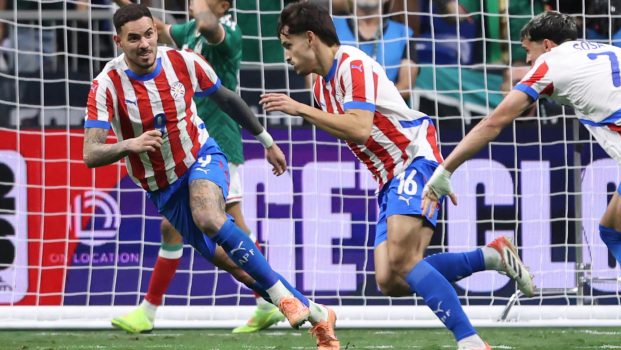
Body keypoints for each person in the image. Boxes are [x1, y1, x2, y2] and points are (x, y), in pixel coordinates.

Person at [260, 3, 534, 350]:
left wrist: (298, 108)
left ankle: (471, 342)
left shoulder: (352, 64)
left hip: (413, 156)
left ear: (310, 38)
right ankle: (491, 256)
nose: (287, 55)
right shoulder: (320, 89)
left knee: (405, 261)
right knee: (390, 280)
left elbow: (359, 129)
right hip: (389, 176)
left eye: (288, 45)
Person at [422, 11, 621, 350]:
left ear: (548, 44)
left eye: (528, 52)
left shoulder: (551, 61)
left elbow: (495, 122)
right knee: (613, 229)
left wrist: (446, 169)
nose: (527, 61)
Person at [83, 5, 339, 349]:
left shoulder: (183, 61)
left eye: (149, 34)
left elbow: (228, 99)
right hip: (163, 187)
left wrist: (266, 140)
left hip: (203, 155)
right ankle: (319, 315)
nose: (144, 44)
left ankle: (281, 300)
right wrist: (130, 144)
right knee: (234, 265)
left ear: (155, 32)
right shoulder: (106, 86)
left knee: (209, 216)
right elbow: (90, 154)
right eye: (134, 38)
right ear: (118, 41)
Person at [108, 0, 284, 335]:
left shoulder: (227, 32)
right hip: (186, 145)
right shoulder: (188, 31)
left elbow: (207, 25)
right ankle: (268, 300)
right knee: (211, 227)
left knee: (219, 228)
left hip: (215, 143)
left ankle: (270, 297)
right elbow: (153, 28)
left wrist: (203, 8)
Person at [332, 0, 418, 99]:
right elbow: (314, 79)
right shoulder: (331, 25)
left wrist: (364, 101)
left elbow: (406, 86)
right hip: (337, 110)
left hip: (384, 111)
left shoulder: (404, 33)